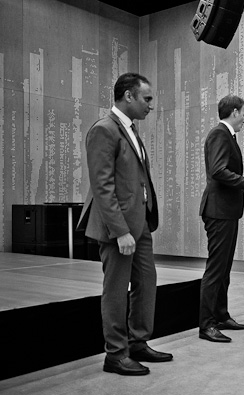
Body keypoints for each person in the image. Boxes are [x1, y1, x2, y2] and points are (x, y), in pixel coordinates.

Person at [77, 72, 172, 376]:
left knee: (146, 283)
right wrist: (120, 231)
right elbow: (102, 186)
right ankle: (115, 354)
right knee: (116, 291)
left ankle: (138, 342)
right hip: (118, 228)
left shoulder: (130, 129)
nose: (151, 105)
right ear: (128, 96)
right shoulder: (104, 130)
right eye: (147, 98)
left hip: (140, 224)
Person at [198, 95, 244, 343]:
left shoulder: (227, 135)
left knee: (224, 269)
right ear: (235, 112)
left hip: (226, 211)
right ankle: (206, 325)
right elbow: (218, 171)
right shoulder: (219, 134)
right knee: (216, 270)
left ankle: (220, 316)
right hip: (218, 212)